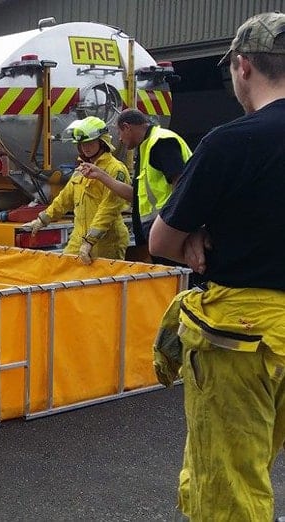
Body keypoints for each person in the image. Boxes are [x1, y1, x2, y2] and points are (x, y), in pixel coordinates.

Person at [148, 12, 285, 521]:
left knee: (230, 482)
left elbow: (161, 240)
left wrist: (195, 232)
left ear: (243, 66)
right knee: (256, 459)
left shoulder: (232, 141)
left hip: (243, 339)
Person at [81, 108, 192, 262]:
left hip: (170, 232)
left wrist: (172, 225)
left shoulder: (161, 142)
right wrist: (100, 175)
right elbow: (135, 196)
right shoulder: (146, 146)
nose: (120, 139)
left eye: (119, 132)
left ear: (127, 127)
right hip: (161, 233)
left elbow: (181, 185)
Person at [23, 116, 130, 264]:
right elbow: (64, 199)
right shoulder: (82, 169)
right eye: (81, 144)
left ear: (102, 142)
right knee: (65, 273)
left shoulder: (115, 169)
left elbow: (108, 209)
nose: (85, 147)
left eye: (89, 142)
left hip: (107, 242)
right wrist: (42, 220)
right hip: (79, 240)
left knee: (103, 279)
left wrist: (90, 241)